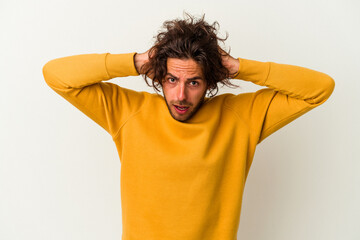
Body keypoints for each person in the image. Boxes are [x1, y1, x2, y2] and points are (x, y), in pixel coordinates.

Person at [42, 13, 335, 240]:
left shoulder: (238, 117)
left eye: (193, 82)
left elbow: (320, 88)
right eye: (172, 80)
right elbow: (56, 75)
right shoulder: (128, 111)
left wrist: (238, 67)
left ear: (209, 82)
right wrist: (137, 60)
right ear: (159, 77)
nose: (181, 95)